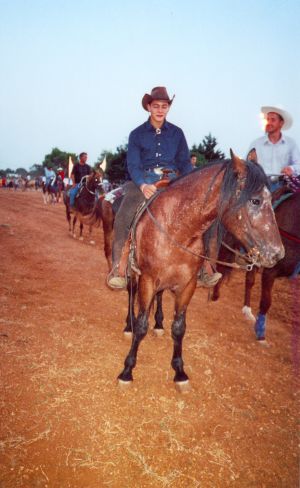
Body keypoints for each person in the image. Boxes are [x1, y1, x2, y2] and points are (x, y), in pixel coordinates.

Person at [107, 86, 222, 289]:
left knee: (205, 214)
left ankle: (205, 267)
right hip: (144, 180)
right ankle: (119, 268)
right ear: (149, 107)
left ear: (168, 108)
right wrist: (143, 185)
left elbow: (185, 163)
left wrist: (191, 184)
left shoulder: (177, 133)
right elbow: (133, 164)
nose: (160, 110)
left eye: (164, 106)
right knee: (124, 216)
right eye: (156, 106)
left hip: (175, 180)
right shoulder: (136, 134)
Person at [248, 106, 300, 181]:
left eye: (273, 120)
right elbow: (246, 164)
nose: (269, 122)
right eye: (268, 119)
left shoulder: (291, 143)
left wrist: (291, 169)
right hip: (261, 185)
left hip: (283, 185)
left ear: (281, 123)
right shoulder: (256, 144)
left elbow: (298, 165)